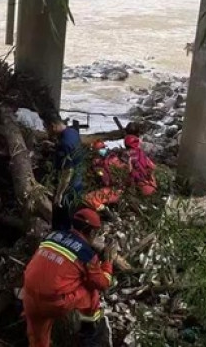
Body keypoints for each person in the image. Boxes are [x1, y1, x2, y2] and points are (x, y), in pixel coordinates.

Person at [22, 208, 116, 347]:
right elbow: (102, 283)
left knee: (38, 342)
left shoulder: (52, 236)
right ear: (92, 232)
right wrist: (108, 262)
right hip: (54, 304)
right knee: (91, 290)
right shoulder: (86, 253)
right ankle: (90, 335)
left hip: (28, 295)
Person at [48, 119, 85, 230]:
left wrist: (59, 194)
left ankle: (61, 237)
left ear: (53, 125)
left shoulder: (65, 144)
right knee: (72, 213)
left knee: (62, 218)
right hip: (79, 178)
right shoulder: (73, 132)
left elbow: (68, 171)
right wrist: (54, 146)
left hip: (69, 185)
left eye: (48, 128)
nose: (48, 131)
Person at [84, 140, 126, 212]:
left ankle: (109, 215)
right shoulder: (99, 162)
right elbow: (101, 175)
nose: (102, 150)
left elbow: (123, 174)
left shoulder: (113, 160)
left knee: (89, 198)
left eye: (102, 148)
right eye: (100, 149)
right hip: (112, 188)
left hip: (115, 189)